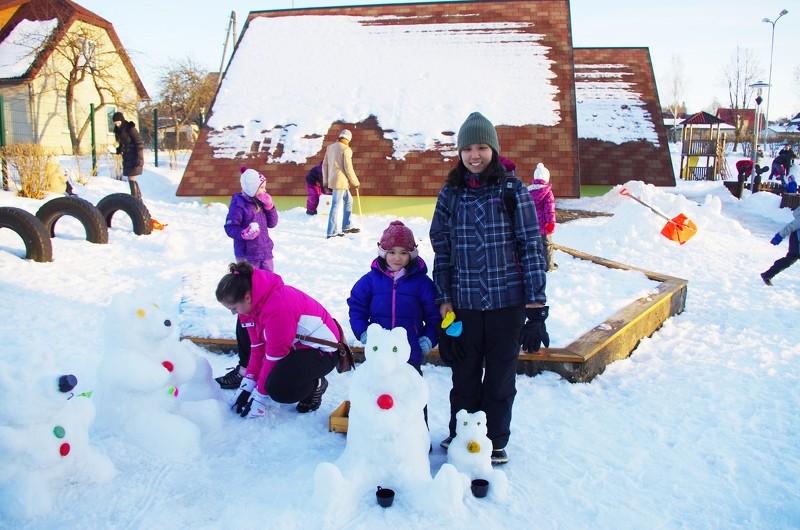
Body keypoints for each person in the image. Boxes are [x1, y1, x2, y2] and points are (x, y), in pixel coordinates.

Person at [429, 111, 549, 466]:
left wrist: (536, 306)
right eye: (467, 148)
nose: (474, 155)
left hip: (506, 304)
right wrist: (444, 301)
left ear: (493, 149)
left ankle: (494, 439)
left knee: (499, 379)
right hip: (464, 304)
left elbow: (531, 246)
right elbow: (442, 247)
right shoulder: (451, 192)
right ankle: (462, 432)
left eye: (481, 147)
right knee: (463, 375)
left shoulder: (512, 190)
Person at [215, 261, 340, 417]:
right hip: (297, 347)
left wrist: (260, 396)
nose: (233, 313)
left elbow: (274, 355)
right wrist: (247, 384)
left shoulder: (279, 306)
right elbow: (258, 347)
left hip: (322, 351)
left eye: (233, 308)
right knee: (269, 377)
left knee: (278, 389)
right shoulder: (250, 306)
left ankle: (316, 385)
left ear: (247, 297)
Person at [347, 220, 441, 375]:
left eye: (403, 252)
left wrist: (428, 338)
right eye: (392, 252)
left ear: (411, 254)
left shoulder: (422, 283)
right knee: (377, 394)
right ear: (383, 252)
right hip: (379, 353)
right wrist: (364, 332)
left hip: (409, 352)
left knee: (411, 395)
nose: (397, 257)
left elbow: (434, 315)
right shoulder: (370, 280)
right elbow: (357, 307)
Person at [215, 167, 279, 390]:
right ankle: (246, 365)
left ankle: (263, 357)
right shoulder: (239, 203)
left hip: (265, 255)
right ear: (252, 187)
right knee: (248, 306)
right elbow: (229, 227)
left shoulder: (260, 201)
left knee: (269, 300)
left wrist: (270, 206)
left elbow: (272, 223)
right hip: (247, 259)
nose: (265, 189)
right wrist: (243, 233)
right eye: (261, 186)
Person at [322, 129, 360, 238]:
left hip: (334, 180)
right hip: (341, 182)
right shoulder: (346, 149)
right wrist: (355, 182)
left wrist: (326, 181)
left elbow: (325, 166)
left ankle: (346, 226)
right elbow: (349, 168)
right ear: (348, 139)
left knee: (349, 201)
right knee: (335, 205)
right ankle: (331, 231)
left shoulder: (330, 147)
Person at [760, 206, 800, 286]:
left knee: (791, 258)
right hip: (797, 239)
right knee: (791, 258)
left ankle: (767, 274)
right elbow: (791, 226)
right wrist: (779, 236)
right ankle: (767, 275)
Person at [528, 162, 557, 271]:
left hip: (532, 224)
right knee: (547, 245)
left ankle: (536, 264)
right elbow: (549, 209)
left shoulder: (528, 191)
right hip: (544, 224)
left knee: (534, 245)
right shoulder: (547, 192)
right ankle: (548, 266)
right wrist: (550, 223)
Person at [112, 111, 144, 199]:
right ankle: (137, 198)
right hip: (127, 157)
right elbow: (124, 143)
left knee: (132, 177)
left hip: (134, 156)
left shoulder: (130, 128)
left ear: (122, 120)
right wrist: (119, 149)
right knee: (131, 178)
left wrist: (139, 157)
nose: (117, 125)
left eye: (118, 122)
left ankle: (135, 198)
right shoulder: (119, 131)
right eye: (115, 123)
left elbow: (139, 143)